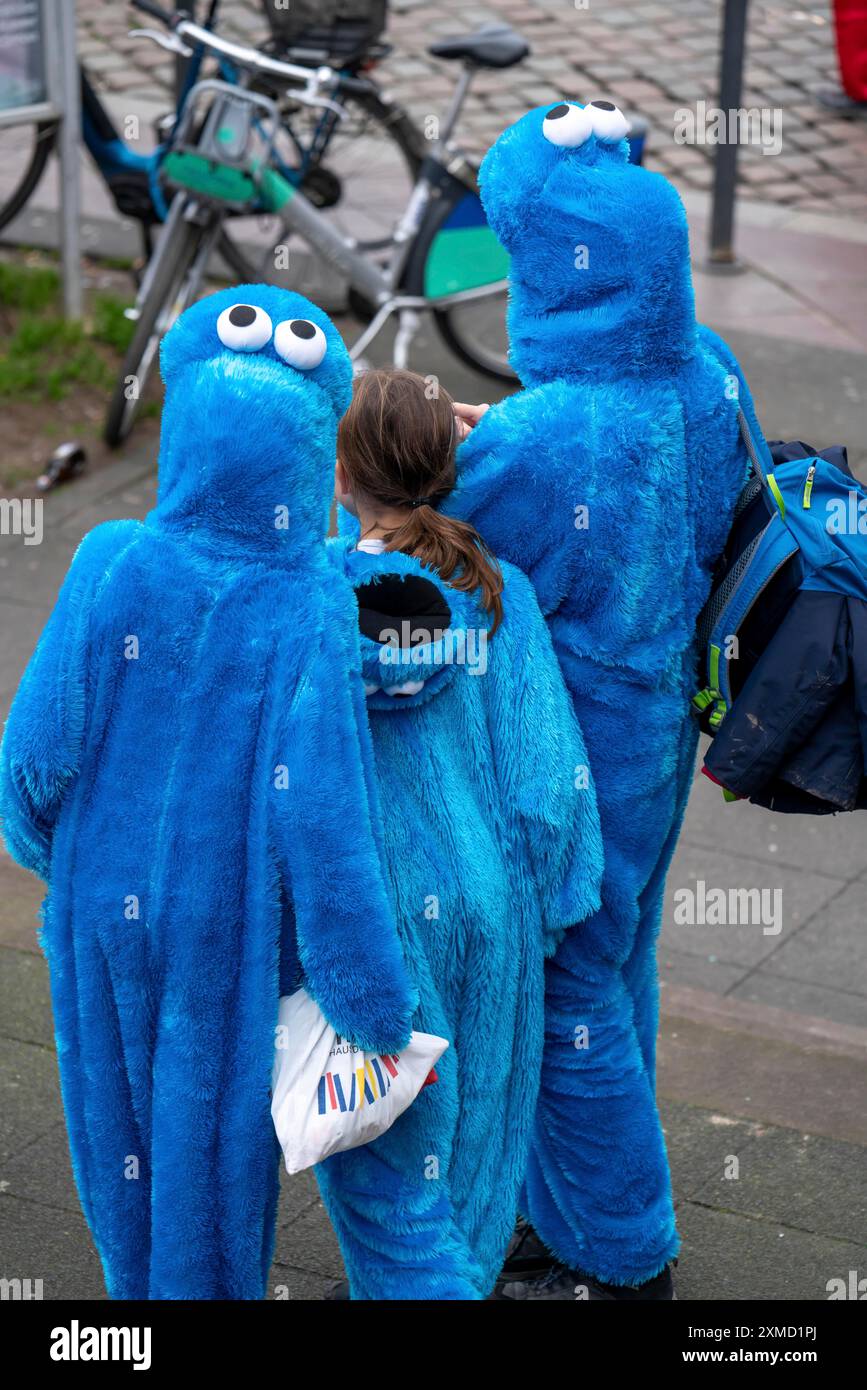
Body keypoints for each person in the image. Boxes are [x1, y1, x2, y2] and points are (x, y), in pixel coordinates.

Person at [0, 287, 416, 1300]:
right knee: (210, 1157)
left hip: (100, 900)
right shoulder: (312, 602)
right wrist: (370, 993)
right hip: (226, 930)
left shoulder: (113, 560)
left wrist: (73, 857)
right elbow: (325, 819)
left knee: (110, 1120)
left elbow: (32, 759)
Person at [446, 100, 755, 1299]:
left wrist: (457, 448)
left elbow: (432, 542)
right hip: (665, 733)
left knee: (564, 985)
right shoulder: (705, 369)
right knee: (619, 958)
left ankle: (623, 1256)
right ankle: (568, 1210)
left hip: (566, 750)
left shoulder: (552, 431)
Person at [318, 367, 604, 1299]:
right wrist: (554, 903)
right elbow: (547, 776)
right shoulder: (500, 590)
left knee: (386, 1155)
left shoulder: (320, 602)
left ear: (339, 474)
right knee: (478, 1141)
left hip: (374, 905)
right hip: (492, 901)